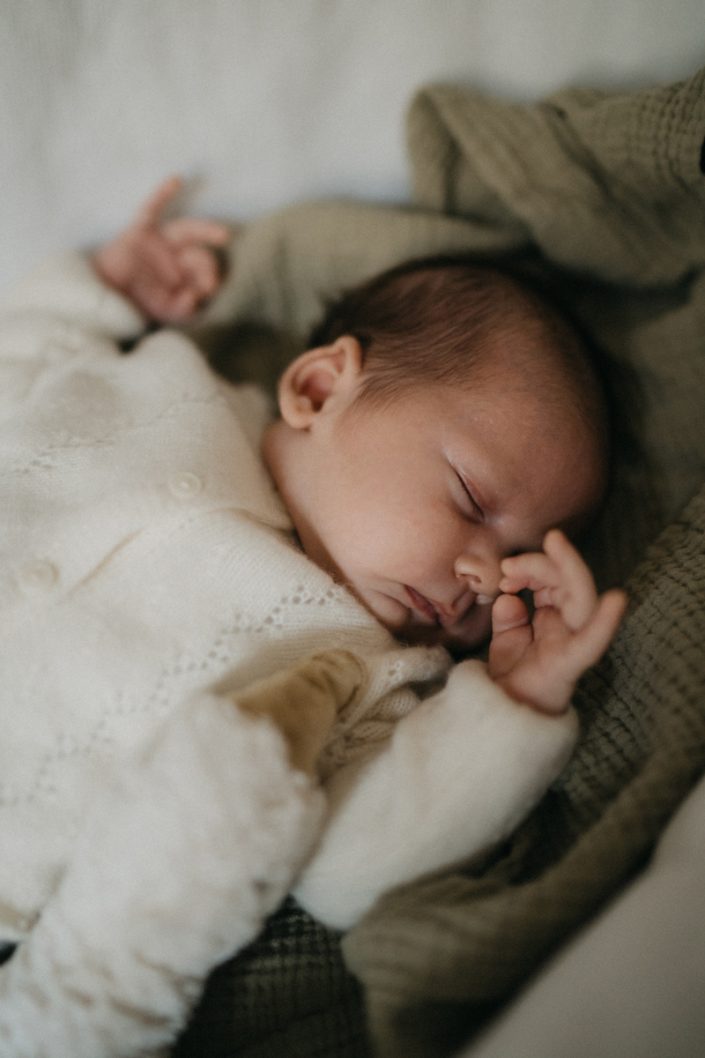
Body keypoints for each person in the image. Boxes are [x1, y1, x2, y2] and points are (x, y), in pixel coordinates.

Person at [0, 179, 626, 1057]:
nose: (482, 579)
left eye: (515, 570)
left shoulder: (374, 679)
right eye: (471, 497)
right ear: (322, 387)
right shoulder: (170, 383)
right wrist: (106, 287)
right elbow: (24, 365)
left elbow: (354, 869)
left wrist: (510, 710)